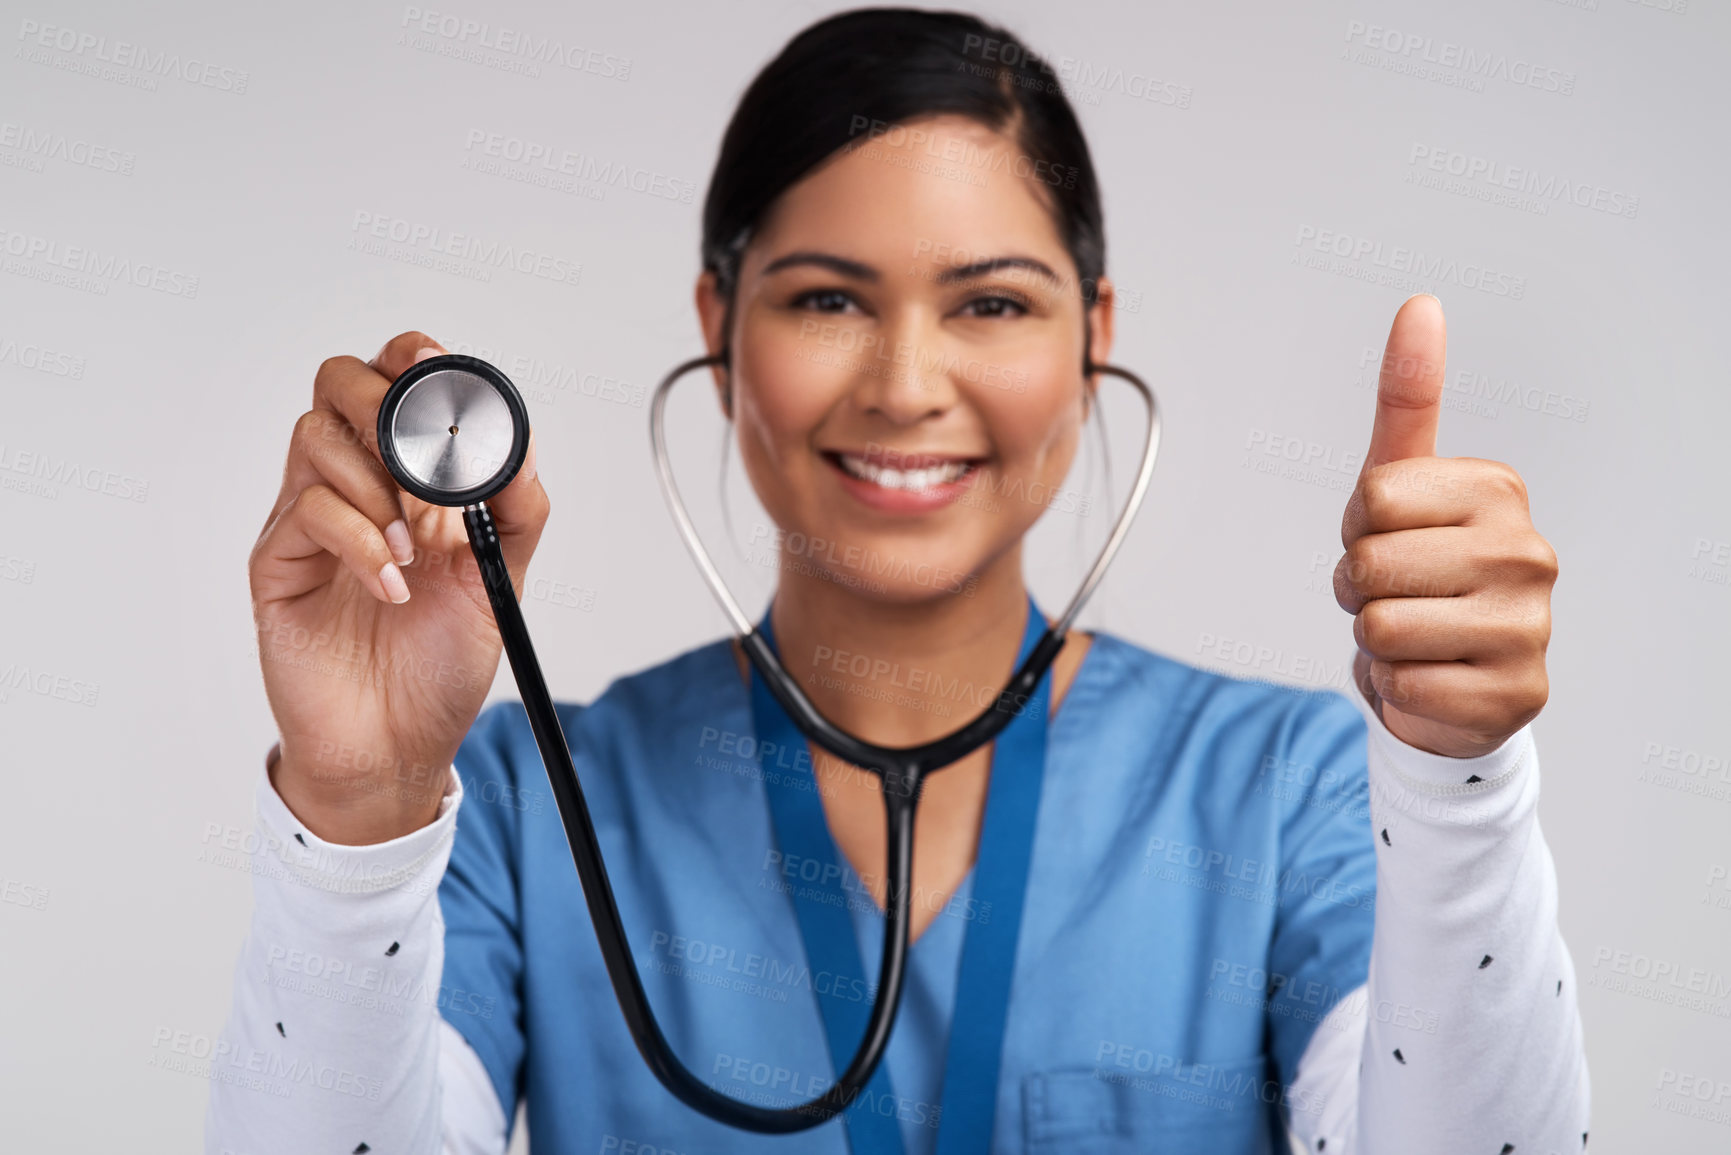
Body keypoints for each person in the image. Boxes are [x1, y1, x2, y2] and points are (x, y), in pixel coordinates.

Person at [208, 8, 1589, 1154]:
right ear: (721, 327)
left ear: (1092, 337)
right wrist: (359, 813)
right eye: (826, 299)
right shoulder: (514, 807)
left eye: (991, 303)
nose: (908, 385)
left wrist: (1459, 787)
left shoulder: (1295, 791)